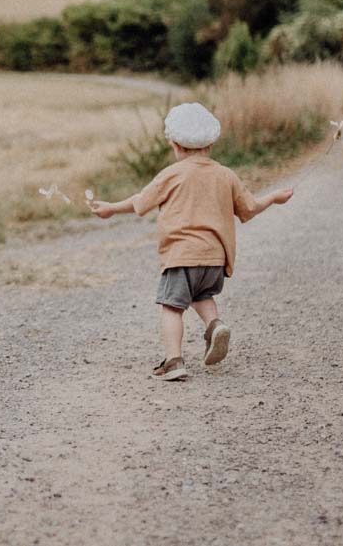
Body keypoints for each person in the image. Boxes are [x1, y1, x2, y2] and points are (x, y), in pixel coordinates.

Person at [88, 102, 293, 381]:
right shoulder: (225, 174)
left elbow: (141, 202)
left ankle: (173, 361)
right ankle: (214, 325)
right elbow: (250, 208)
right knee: (202, 295)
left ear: (175, 144)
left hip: (182, 255)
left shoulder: (171, 174)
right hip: (215, 259)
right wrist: (274, 197)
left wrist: (112, 207)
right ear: (211, 143)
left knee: (172, 307)